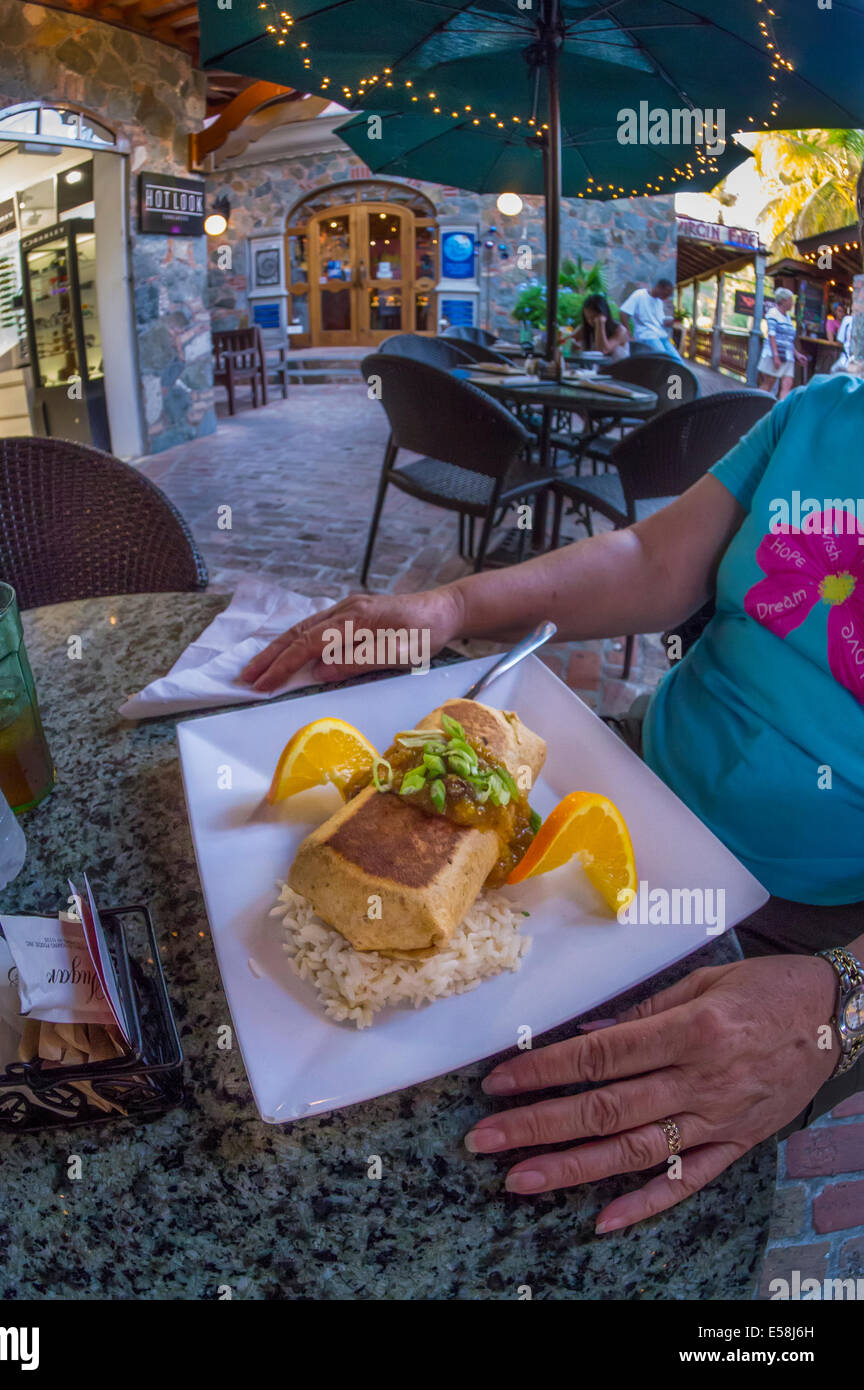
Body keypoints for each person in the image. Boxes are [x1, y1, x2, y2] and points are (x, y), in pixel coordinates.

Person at [241, 179, 864, 1234]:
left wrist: (839, 1013)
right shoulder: (822, 416)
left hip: (813, 932)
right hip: (630, 786)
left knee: (553, 1194)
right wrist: (448, 604)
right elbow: (651, 556)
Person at [757, 287, 808, 400]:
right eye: (790, 300)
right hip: (774, 354)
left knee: (788, 383)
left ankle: (781, 410)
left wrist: (797, 354)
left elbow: (788, 340)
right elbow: (771, 334)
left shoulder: (788, 317)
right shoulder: (773, 314)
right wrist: (775, 355)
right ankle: (753, 404)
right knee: (769, 383)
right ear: (783, 301)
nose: (792, 303)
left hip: (787, 355)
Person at [619, 277, 680, 359]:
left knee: (676, 358)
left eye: (669, 294)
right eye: (666, 293)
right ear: (659, 287)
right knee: (663, 358)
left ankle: (676, 372)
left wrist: (671, 322)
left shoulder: (659, 302)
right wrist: (628, 333)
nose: (667, 296)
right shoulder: (639, 295)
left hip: (661, 335)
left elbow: (660, 321)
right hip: (647, 335)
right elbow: (623, 312)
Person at [570, 293, 629, 361]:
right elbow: (565, 343)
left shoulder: (620, 330)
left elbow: (602, 350)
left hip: (617, 369)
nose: (591, 321)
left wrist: (600, 323)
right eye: (588, 318)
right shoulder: (585, 328)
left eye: (594, 317)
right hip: (594, 370)